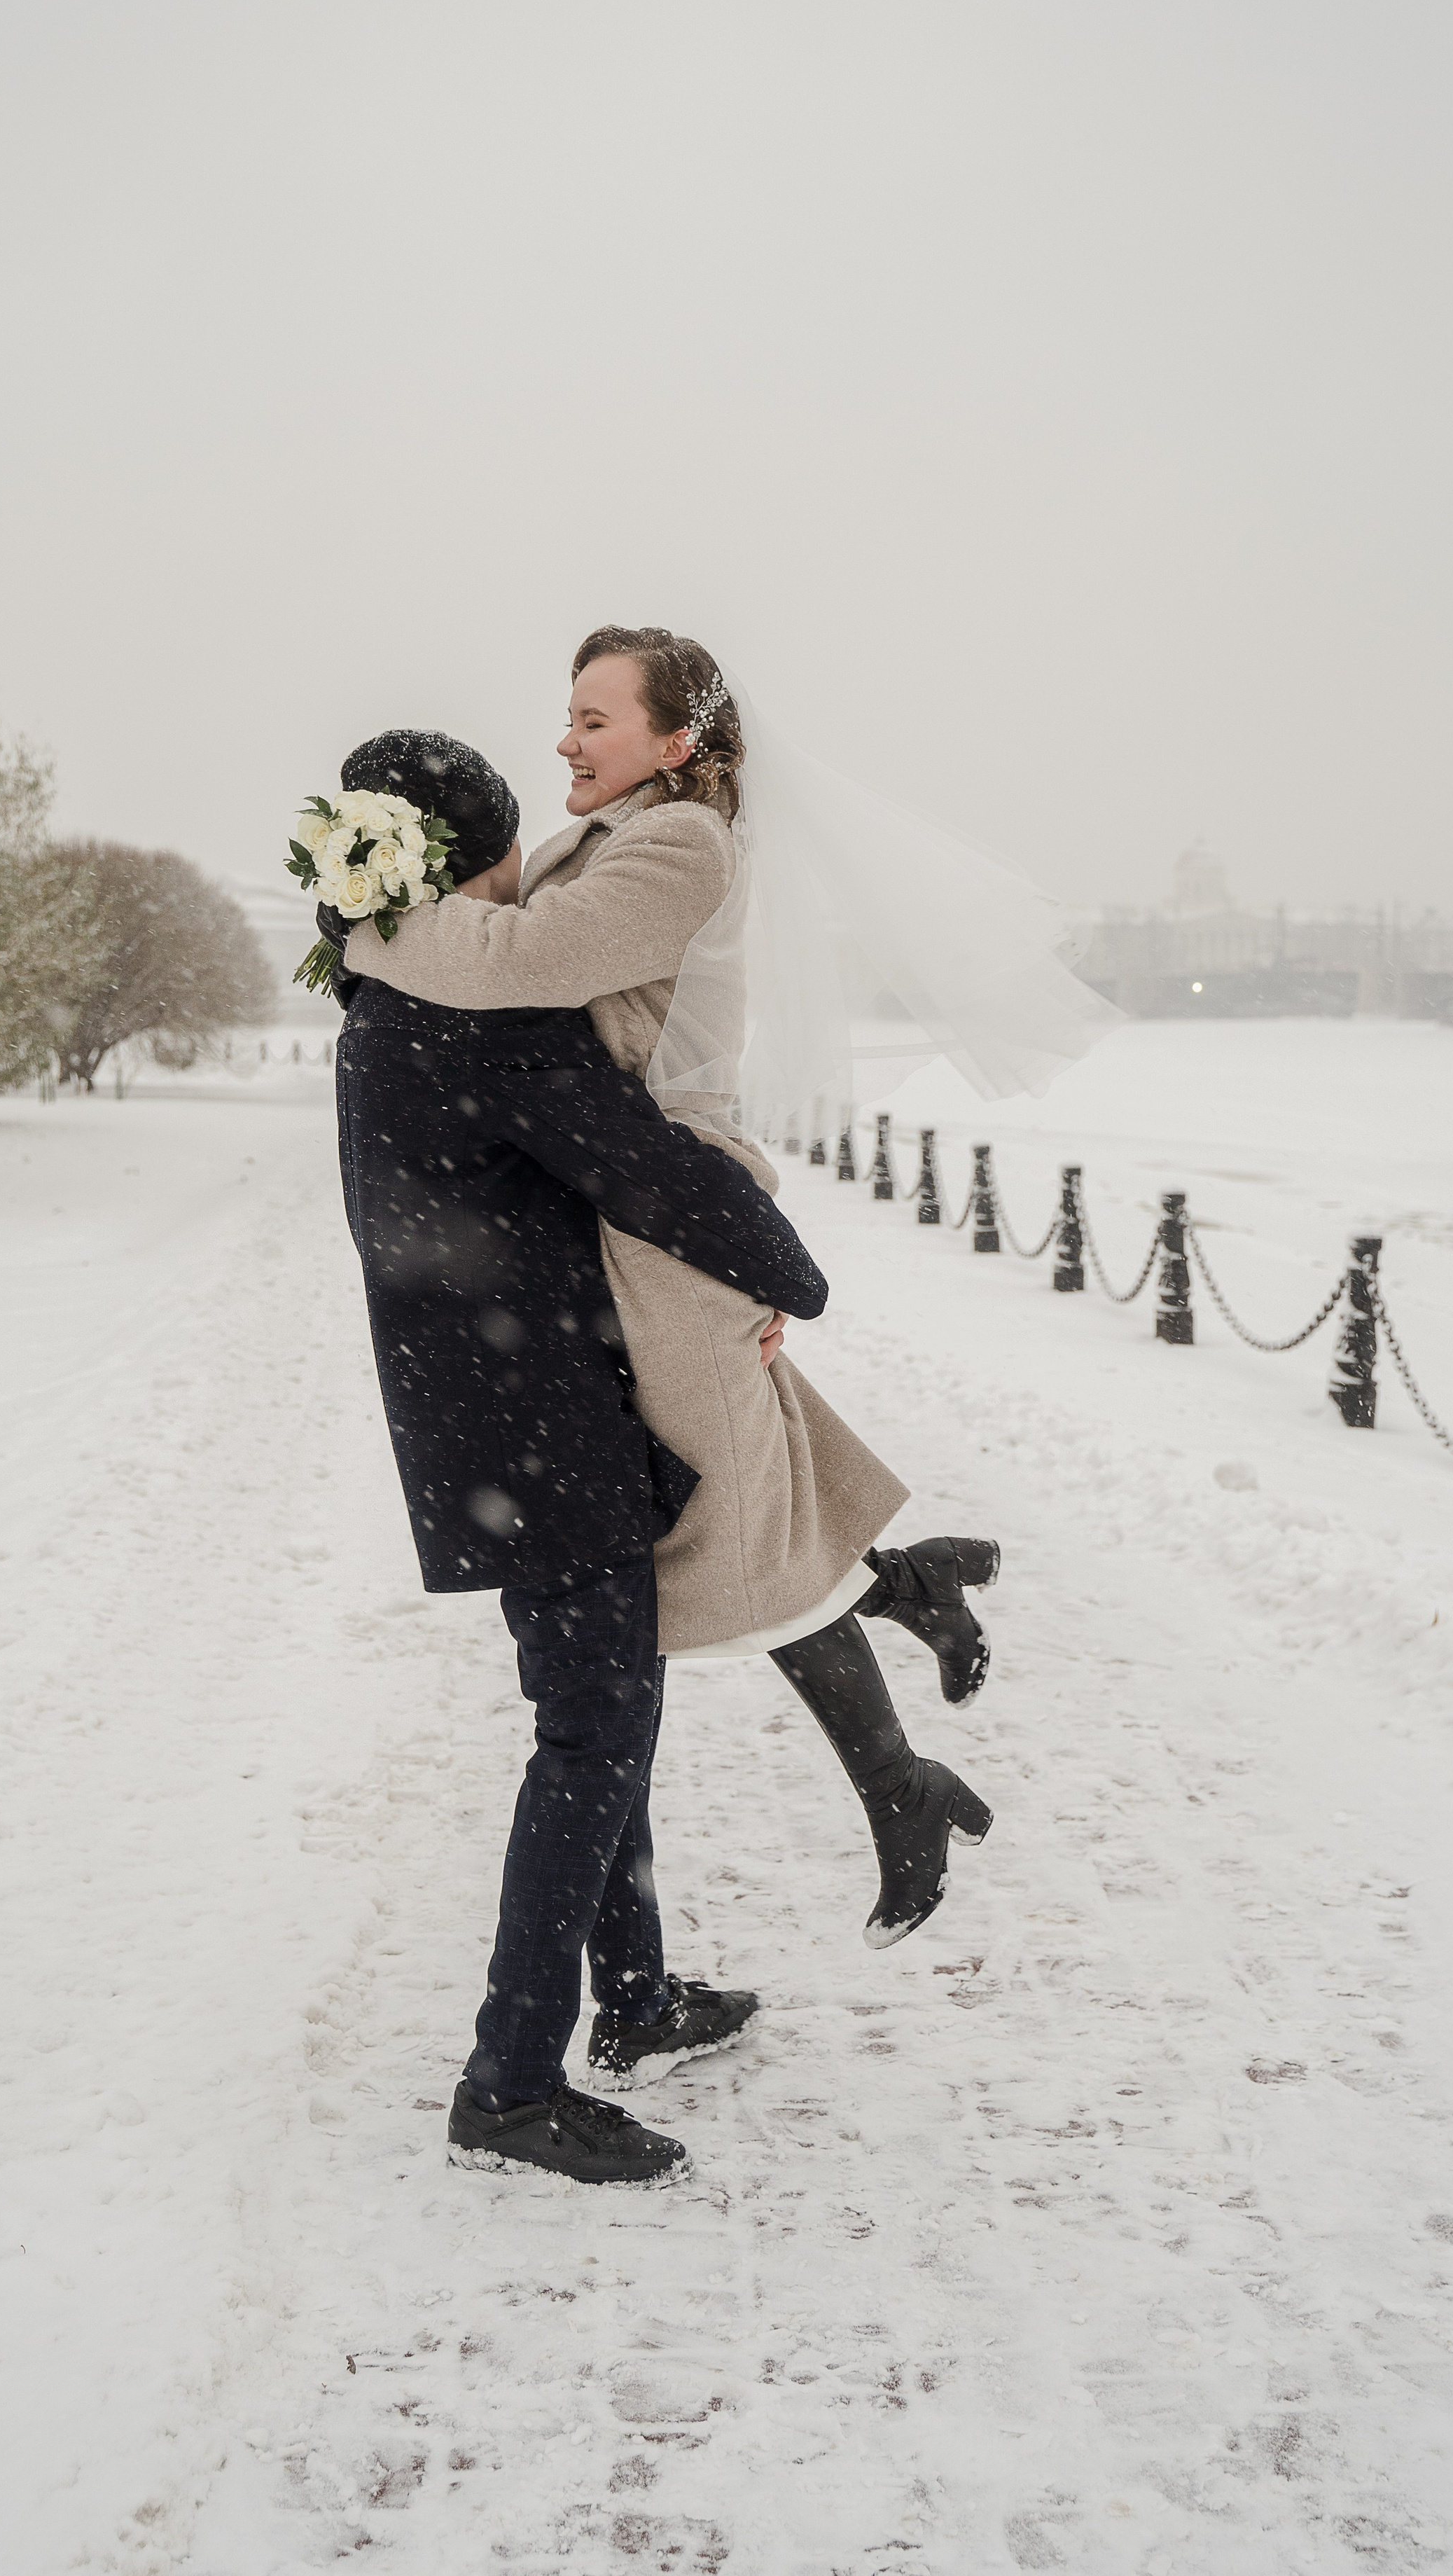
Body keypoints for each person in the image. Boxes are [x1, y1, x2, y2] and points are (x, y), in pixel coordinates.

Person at [340, 632, 1111, 1967]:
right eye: (564, 717)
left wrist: (370, 912)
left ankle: (898, 1713)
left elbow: (521, 965)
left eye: (593, 719)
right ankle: (904, 1619)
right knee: (724, 1503)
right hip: (623, 1190)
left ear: (677, 739)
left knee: (719, 1517)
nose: (566, 743)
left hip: (669, 1193)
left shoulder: (683, 843)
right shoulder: (623, 831)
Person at [328, 728, 832, 2187]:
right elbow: (648, 1169)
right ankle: (508, 2081)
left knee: (600, 1712)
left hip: (479, 1417)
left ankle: (636, 1996)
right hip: (536, 1424)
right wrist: (790, 1278)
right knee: (592, 1736)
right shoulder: (480, 1022)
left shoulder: (379, 996)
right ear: (472, 860)